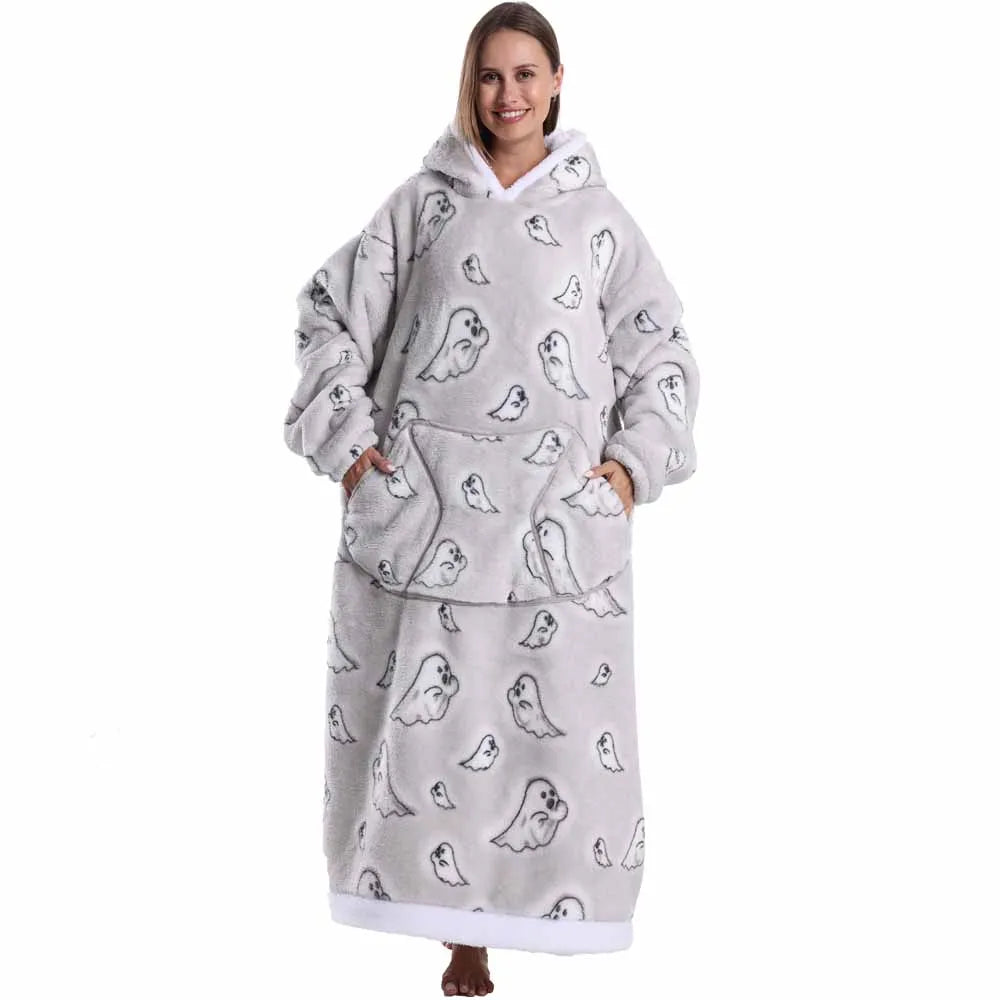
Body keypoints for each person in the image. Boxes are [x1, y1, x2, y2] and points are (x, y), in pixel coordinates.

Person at [283, 3, 699, 995]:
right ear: (469, 84)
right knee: (431, 735)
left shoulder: (599, 222)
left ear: (556, 81)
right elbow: (329, 312)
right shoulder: (421, 206)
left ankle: (531, 918)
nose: (507, 94)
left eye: (524, 74)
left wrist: (627, 471)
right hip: (427, 517)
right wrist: (356, 455)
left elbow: (662, 351)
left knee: (546, 741)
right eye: (488, 75)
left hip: (555, 526)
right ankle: (455, 938)